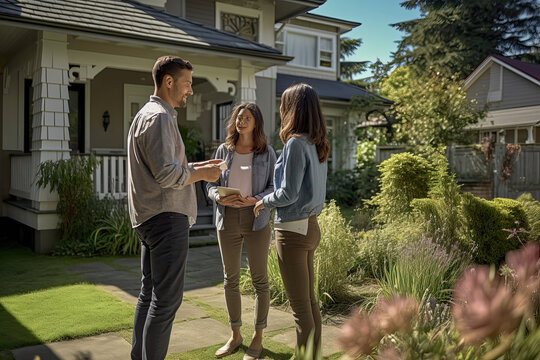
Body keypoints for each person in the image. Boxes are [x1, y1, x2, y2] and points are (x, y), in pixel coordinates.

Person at [127, 55, 222, 360]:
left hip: (150, 218)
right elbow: (168, 176)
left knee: (149, 294)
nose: (190, 91)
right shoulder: (160, 118)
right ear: (169, 81)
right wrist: (203, 175)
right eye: (187, 83)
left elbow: (166, 167)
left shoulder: (146, 115)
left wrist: (197, 166)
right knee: (166, 302)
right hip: (166, 218)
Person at [254, 83, 329, 353]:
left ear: (292, 109)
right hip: (310, 227)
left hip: (293, 231)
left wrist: (263, 201)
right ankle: (314, 355)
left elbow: (287, 193)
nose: (280, 109)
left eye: (283, 104)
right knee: (309, 302)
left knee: (300, 307)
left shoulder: (296, 143)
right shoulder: (317, 143)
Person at [206, 103, 276, 360]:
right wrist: (217, 197)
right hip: (227, 219)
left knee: (260, 280)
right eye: (238, 117)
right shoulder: (224, 150)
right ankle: (235, 335)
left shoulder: (267, 153)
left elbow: (274, 187)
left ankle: (258, 337)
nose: (241, 121)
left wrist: (256, 198)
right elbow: (211, 185)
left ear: (256, 123)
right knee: (230, 279)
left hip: (256, 218)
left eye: (246, 118)